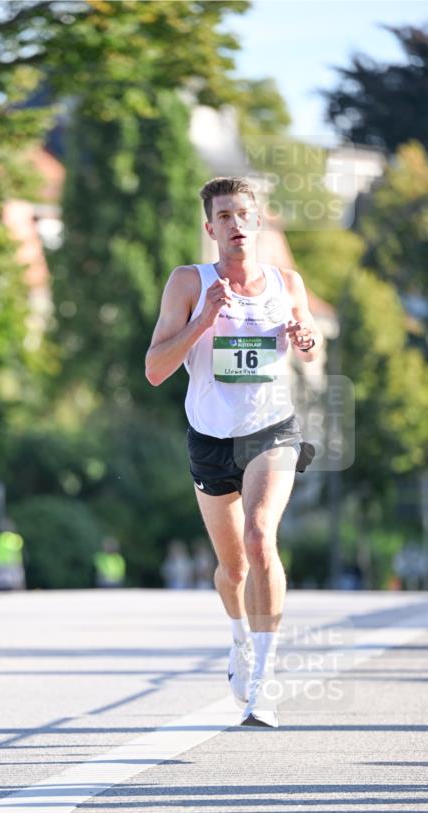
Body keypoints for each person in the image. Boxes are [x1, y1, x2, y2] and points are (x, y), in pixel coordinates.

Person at [145, 176, 320, 727]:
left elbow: (311, 347)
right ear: (210, 228)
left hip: (271, 430)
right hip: (210, 438)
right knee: (232, 566)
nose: (236, 224)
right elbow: (154, 371)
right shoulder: (188, 283)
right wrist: (202, 321)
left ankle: (264, 682)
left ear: (259, 221)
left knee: (259, 535)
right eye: (224, 216)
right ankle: (240, 639)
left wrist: (305, 340)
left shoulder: (287, 282)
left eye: (243, 214)